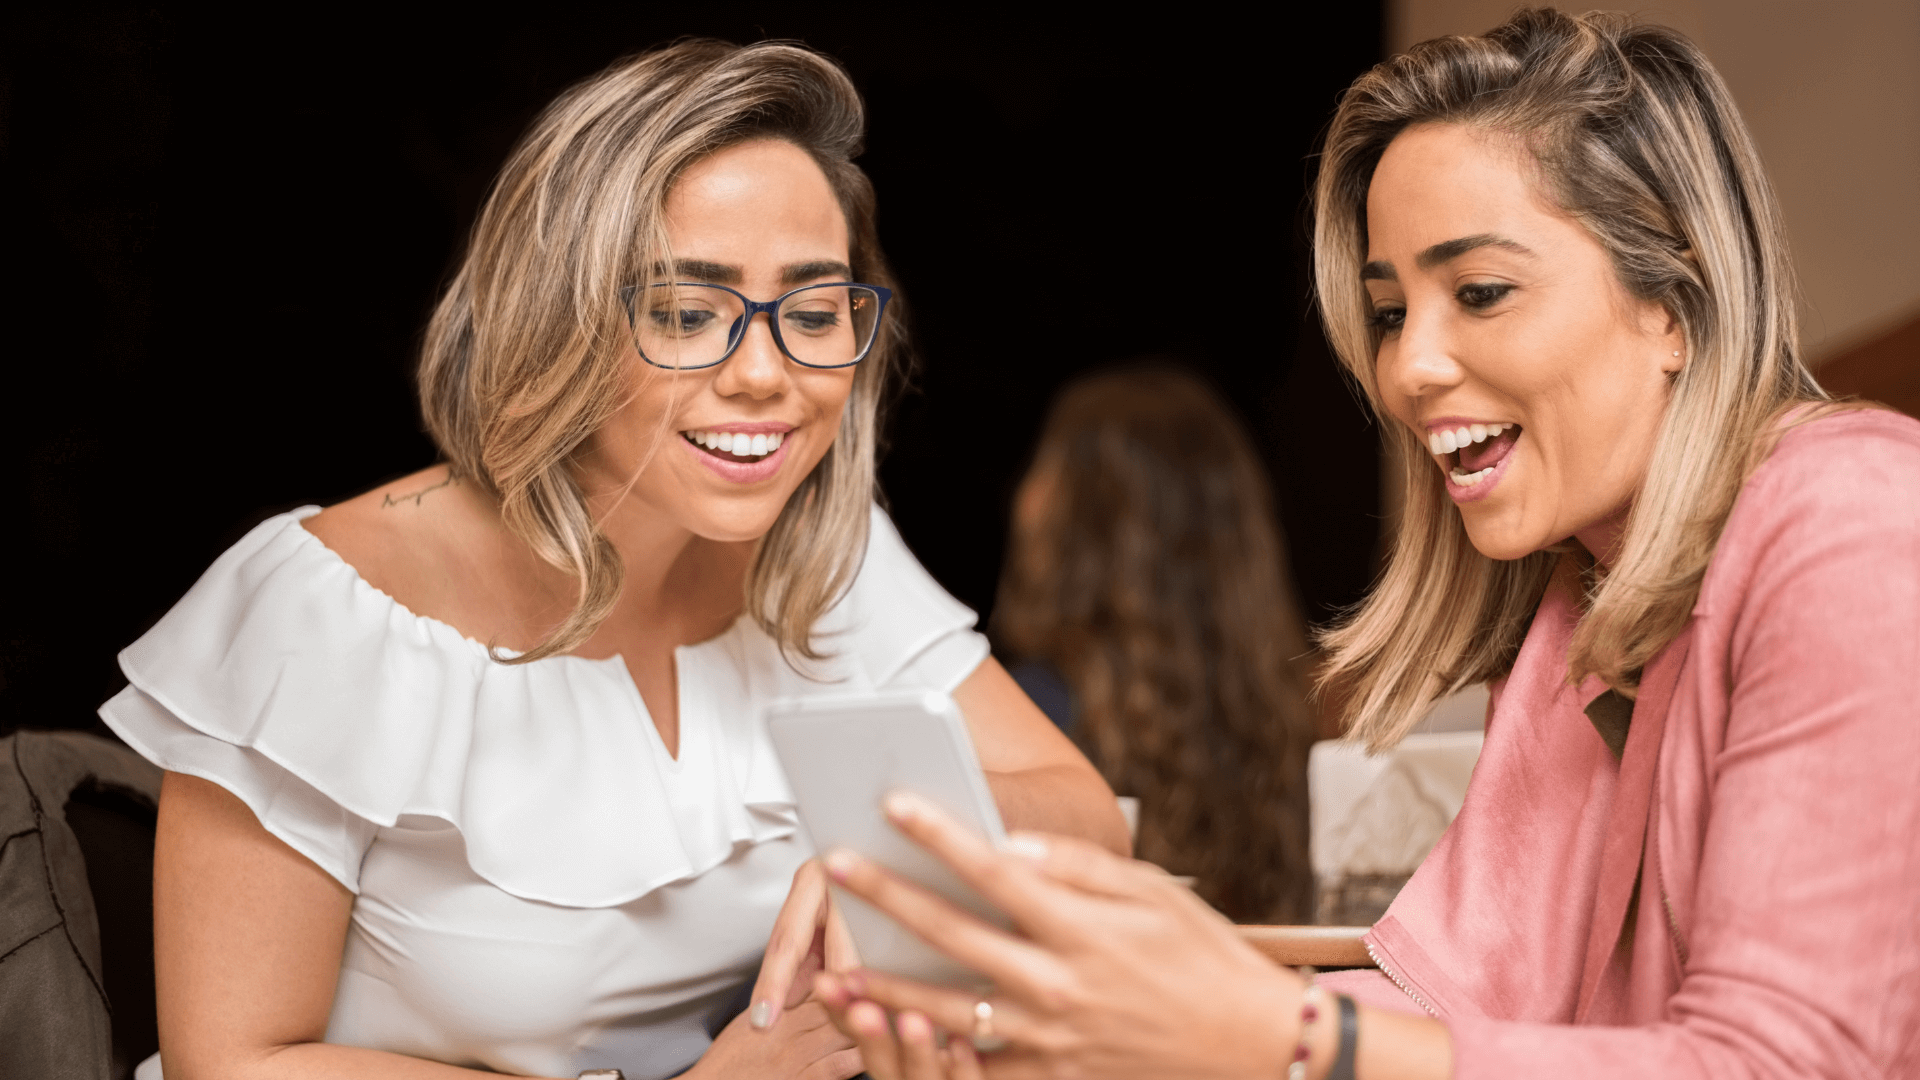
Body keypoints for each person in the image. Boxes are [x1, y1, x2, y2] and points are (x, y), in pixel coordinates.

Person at [805, 9, 1920, 1077]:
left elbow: (1787, 1063)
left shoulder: (1852, 518)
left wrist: (1278, 1039)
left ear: (1671, 300)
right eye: (1392, 311)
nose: (1408, 369)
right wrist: (1078, 1010)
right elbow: (1451, 1004)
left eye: (1479, 292)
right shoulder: (1589, 604)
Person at [101, 40, 1128, 1080]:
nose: (767, 375)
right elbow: (232, 1063)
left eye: (813, 312)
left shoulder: (823, 547)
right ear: (558, 321)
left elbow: (1086, 816)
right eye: (688, 314)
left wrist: (904, 849)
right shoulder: (325, 613)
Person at [994, 366, 1317, 923]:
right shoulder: (1312, 723)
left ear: (1088, 521)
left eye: (1043, 466)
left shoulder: (1024, 718)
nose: (1024, 497)